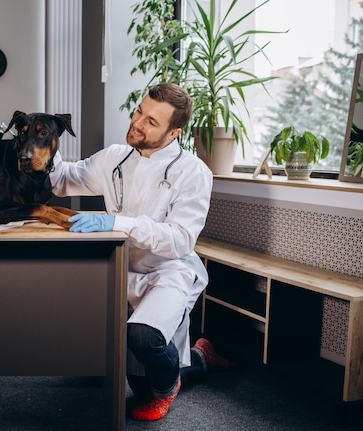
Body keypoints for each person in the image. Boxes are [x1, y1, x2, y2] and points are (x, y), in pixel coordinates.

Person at [50, 83, 236, 421]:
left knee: (143, 338)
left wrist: (118, 223)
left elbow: (180, 240)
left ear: (174, 132)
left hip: (169, 272)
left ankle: (170, 386)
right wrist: (44, 138)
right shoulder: (114, 158)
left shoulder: (193, 173)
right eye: (139, 111)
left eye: (152, 121)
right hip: (122, 268)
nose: (137, 123)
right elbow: (62, 179)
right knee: (111, 352)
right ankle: (201, 355)